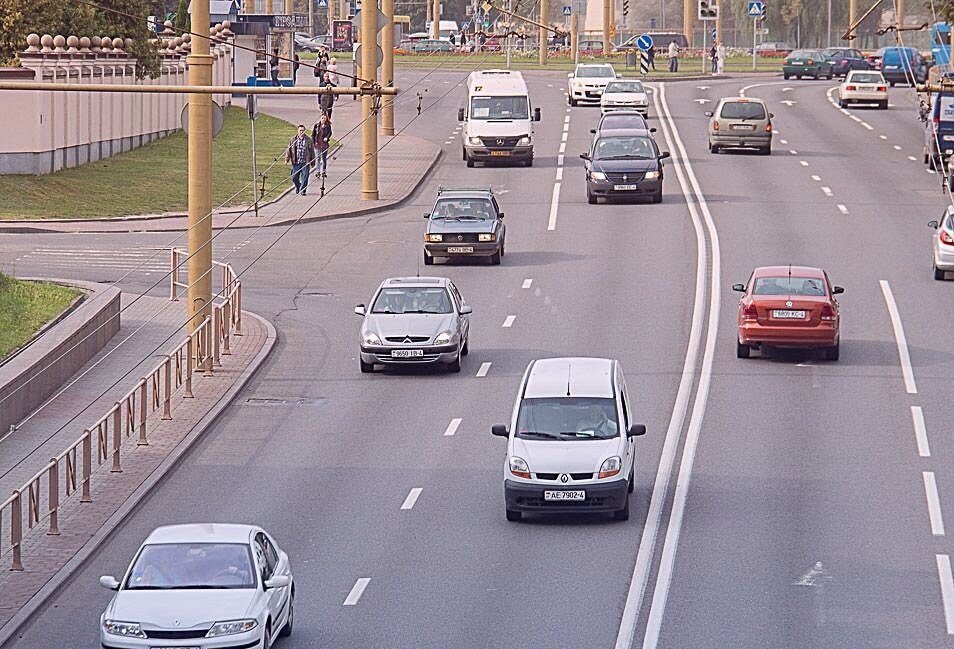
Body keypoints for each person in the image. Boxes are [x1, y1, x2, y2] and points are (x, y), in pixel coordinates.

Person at [285, 124, 316, 196]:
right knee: (294, 177)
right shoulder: (293, 140)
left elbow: (312, 151)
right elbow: (288, 150)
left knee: (305, 177)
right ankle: (298, 187)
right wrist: (287, 159)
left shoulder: (308, 140)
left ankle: (303, 190)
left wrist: (313, 162)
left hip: (305, 162)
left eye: (303, 130)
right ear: (298, 131)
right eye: (300, 130)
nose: (301, 132)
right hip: (296, 162)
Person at [312, 113, 333, 178]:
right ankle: (318, 171)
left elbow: (330, 133)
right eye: (322, 118)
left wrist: (327, 137)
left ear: (326, 119)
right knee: (318, 158)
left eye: (324, 118)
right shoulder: (316, 125)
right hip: (317, 145)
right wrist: (314, 142)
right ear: (320, 118)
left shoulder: (328, 126)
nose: (323, 119)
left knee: (324, 158)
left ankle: (323, 171)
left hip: (324, 145)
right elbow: (313, 135)